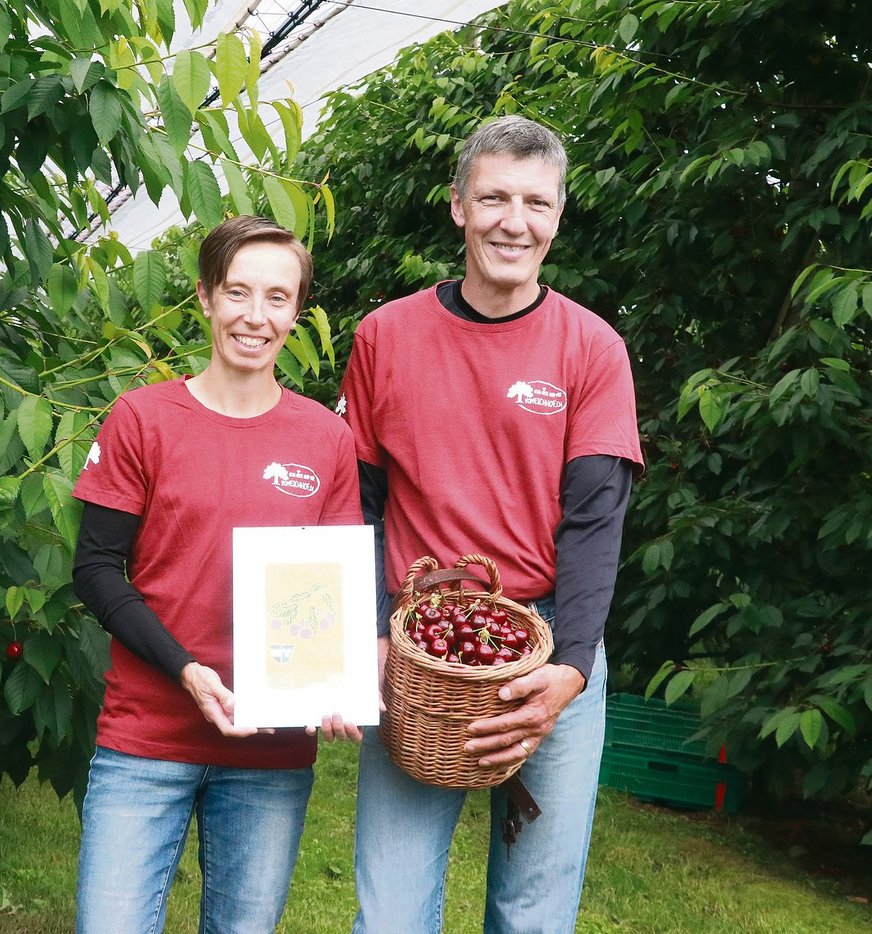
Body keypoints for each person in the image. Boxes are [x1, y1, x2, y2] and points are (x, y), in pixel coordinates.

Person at [337, 115, 644, 933]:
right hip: (417, 642)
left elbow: (595, 522)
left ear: (558, 215)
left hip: (549, 641)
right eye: (495, 197)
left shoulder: (592, 348)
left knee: (532, 917)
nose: (516, 220)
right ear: (457, 206)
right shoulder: (385, 336)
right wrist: (369, 632)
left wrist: (571, 671)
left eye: (537, 203)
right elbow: (357, 505)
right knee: (391, 913)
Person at [70, 215, 365, 934]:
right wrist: (186, 670)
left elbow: (332, 587)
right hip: (147, 737)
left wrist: (334, 683)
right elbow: (97, 570)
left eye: (276, 298)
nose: (255, 317)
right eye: (238, 293)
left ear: (296, 312)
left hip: (270, 754)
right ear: (205, 297)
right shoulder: (142, 418)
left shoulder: (325, 437)